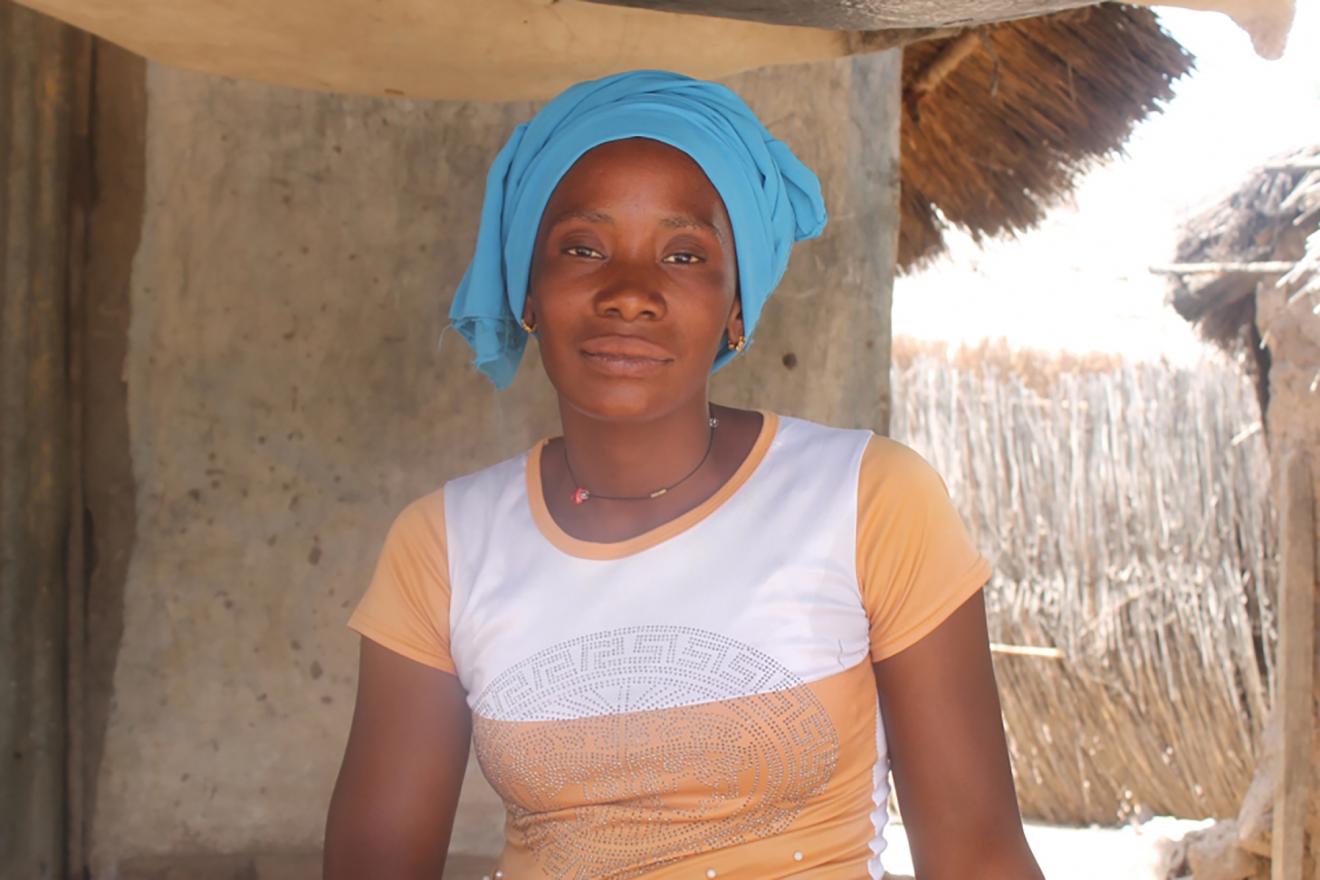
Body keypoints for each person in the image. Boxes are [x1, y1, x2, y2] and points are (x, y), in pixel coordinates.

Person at [324, 70, 1043, 880]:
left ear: (738, 305)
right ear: (528, 289)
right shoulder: (444, 547)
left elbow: (978, 855)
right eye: (583, 248)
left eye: (684, 254)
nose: (630, 293)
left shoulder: (867, 500)